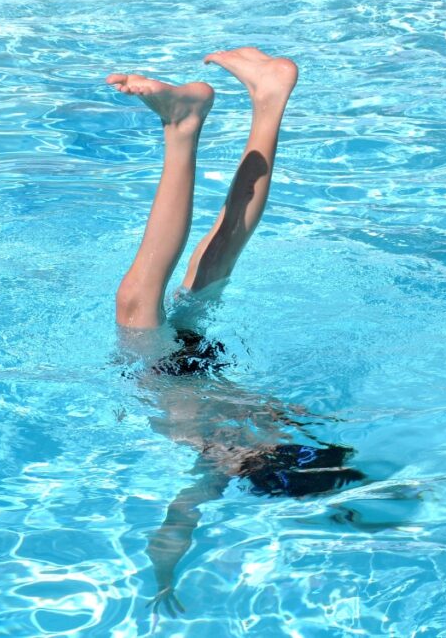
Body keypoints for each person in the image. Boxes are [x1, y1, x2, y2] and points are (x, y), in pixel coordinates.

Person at [108, 48, 365, 617]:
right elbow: (177, 521)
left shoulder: (272, 434)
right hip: (162, 365)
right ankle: (183, 127)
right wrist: (163, 572)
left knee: (221, 250)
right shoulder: (224, 462)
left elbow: (177, 528)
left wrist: (165, 576)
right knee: (137, 297)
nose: (239, 451)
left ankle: (269, 97)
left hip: (200, 359)